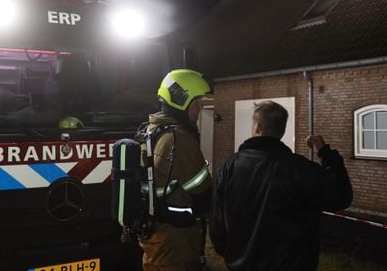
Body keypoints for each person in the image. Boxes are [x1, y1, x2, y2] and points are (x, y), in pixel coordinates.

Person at [209, 100, 353, 271]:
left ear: (257, 127)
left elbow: (217, 226)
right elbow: (341, 196)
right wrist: (326, 153)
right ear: (282, 130)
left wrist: (232, 254)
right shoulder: (299, 169)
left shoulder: (229, 167)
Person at [138, 69, 214, 271]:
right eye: (196, 100)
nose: (201, 106)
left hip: (158, 238)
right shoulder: (178, 140)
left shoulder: (152, 131)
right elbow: (204, 194)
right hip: (175, 242)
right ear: (180, 101)